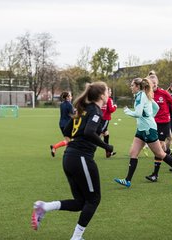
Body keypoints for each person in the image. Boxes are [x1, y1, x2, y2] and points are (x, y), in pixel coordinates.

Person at [32, 82, 114, 240]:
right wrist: (106, 146)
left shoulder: (83, 109)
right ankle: (76, 238)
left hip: (69, 157)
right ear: (102, 95)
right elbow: (89, 131)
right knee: (94, 199)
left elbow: (67, 130)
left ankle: (44, 207)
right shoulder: (95, 110)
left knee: (81, 203)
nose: (108, 94)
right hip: (81, 158)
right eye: (107, 91)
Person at [114, 78, 172, 188]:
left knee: (160, 154)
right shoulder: (144, 95)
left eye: (132, 85)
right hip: (141, 129)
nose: (131, 87)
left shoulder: (141, 95)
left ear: (138, 87)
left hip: (148, 129)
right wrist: (151, 116)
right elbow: (156, 107)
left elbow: (138, 114)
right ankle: (127, 180)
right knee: (133, 153)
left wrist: (128, 111)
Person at [145, 73, 172, 182]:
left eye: (155, 83)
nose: (153, 85)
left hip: (164, 122)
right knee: (162, 147)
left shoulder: (163, 93)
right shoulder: (147, 94)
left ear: (157, 83)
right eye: (151, 83)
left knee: (158, 147)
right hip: (152, 123)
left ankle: (155, 174)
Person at [50, 91, 74, 157]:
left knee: (68, 140)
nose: (71, 97)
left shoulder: (62, 104)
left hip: (61, 124)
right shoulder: (70, 105)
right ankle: (57, 149)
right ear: (67, 97)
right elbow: (72, 115)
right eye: (70, 95)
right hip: (68, 124)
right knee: (70, 141)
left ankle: (56, 148)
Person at [101, 87, 117, 158]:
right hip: (105, 119)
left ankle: (108, 152)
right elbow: (111, 110)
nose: (111, 93)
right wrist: (115, 107)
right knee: (98, 136)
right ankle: (88, 150)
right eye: (110, 91)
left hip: (100, 119)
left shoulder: (101, 99)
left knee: (106, 135)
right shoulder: (109, 99)